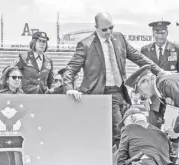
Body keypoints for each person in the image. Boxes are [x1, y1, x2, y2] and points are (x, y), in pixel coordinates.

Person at [63, 12, 170, 148]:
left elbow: (138, 57)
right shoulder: (86, 45)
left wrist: (160, 71)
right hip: (102, 94)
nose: (108, 32)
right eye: (104, 29)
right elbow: (70, 69)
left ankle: (118, 163)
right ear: (96, 28)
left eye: (111, 28)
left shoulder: (119, 38)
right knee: (120, 133)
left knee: (123, 131)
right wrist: (69, 88)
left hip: (121, 93)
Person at [94, 108, 178, 165]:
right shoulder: (161, 132)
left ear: (133, 118)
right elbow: (173, 158)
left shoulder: (129, 128)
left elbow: (121, 157)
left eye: (125, 122)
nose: (124, 126)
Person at [141, 21, 179, 129]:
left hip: (172, 99)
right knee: (153, 132)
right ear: (153, 33)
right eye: (157, 33)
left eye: (162, 33)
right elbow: (142, 77)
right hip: (153, 100)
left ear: (167, 33)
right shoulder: (145, 50)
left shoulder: (178, 50)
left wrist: (177, 95)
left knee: (172, 133)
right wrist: (144, 98)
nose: (160, 36)